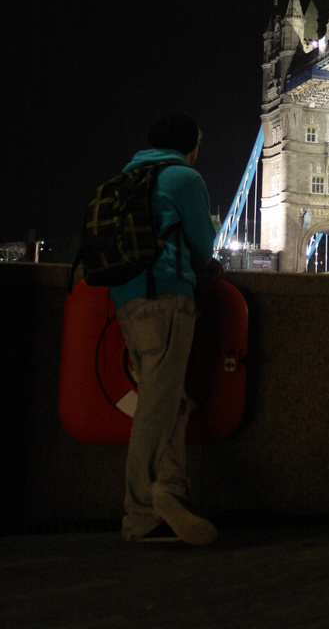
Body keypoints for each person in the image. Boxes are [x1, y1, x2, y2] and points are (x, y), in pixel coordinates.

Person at [110, 113, 218, 544]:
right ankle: (138, 515)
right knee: (156, 410)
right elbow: (203, 245)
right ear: (189, 144)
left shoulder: (127, 177)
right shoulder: (183, 178)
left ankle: (170, 496)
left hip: (126, 300)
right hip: (166, 300)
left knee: (169, 402)